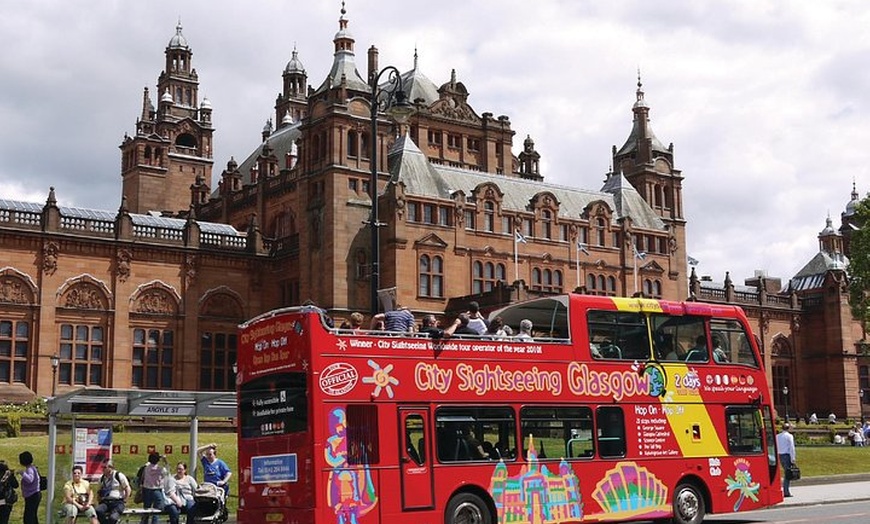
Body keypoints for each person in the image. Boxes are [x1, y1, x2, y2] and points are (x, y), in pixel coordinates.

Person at [140, 453, 168, 524]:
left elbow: (142, 476)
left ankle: (144, 522)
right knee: (157, 510)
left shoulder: (146, 468)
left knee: (146, 509)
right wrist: (164, 460)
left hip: (146, 489)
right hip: (157, 490)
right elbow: (168, 470)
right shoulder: (161, 469)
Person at [19, 451, 40, 524]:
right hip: (34, 494)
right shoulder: (33, 467)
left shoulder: (29, 469)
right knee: (33, 515)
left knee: (28, 517)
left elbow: (30, 479)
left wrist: (22, 473)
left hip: (32, 495)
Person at [776, 423, 796, 497]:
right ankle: (786, 491)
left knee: (784, 472)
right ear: (788, 428)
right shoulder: (789, 436)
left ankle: (785, 490)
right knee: (787, 474)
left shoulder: (777, 436)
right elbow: (791, 448)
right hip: (786, 455)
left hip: (779, 455)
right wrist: (793, 458)